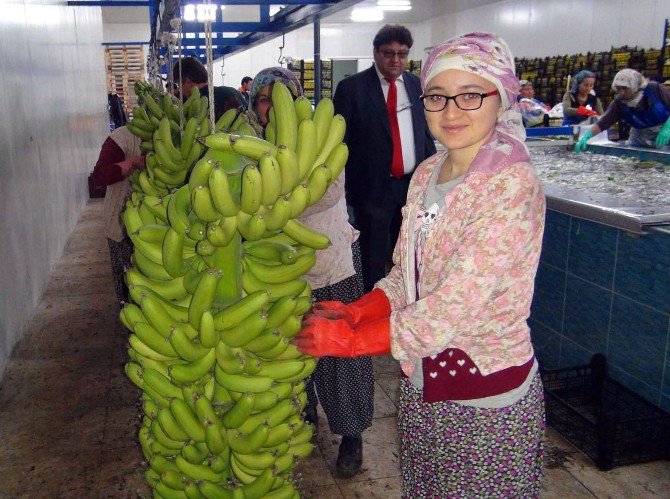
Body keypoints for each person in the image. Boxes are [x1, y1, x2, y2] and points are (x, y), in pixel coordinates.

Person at [295, 32, 546, 497]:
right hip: (423, 383)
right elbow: (406, 275)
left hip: (484, 393)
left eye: (470, 95)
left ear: (501, 97)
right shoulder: (429, 172)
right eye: (436, 96)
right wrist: (360, 310)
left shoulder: (511, 185)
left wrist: (354, 342)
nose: (450, 112)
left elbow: (454, 307)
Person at [248, 67, 374, 478]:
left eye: (277, 97)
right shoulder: (249, 146)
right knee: (293, 348)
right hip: (279, 273)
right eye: (263, 99)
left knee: (341, 356)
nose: (270, 107)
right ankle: (303, 415)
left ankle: (351, 435)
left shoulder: (321, 137)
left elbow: (328, 192)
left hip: (331, 265)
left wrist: (264, 205)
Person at [334, 24, 436, 292]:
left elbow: (424, 134)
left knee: (410, 251)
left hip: (412, 186)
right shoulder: (352, 89)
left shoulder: (417, 87)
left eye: (402, 54)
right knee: (373, 256)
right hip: (372, 191)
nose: (396, 60)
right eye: (389, 53)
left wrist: (433, 178)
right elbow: (339, 142)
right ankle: (372, 306)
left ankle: (406, 302)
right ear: (375, 53)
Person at [89, 126, 144, 306]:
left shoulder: (176, 135)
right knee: (126, 276)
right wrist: (133, 163)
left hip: (156, 222)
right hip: (121, 221)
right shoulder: (122, 138)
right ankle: (129, 318)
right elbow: (99, 177)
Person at [576, 68, 670, 150]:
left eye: (624, 88)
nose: (621, 91)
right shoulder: (619, 102)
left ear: (634, 85)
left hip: (665, 134)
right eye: (618, 88)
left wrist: (667, 128)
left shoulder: (655, 90)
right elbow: (604, 122)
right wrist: (587, 136)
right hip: (639, 138)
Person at [172, 56, 245, 121]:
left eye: (179, 85)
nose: (180, 90)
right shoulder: (233, 92)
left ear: (187, 81)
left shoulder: (193, 106)